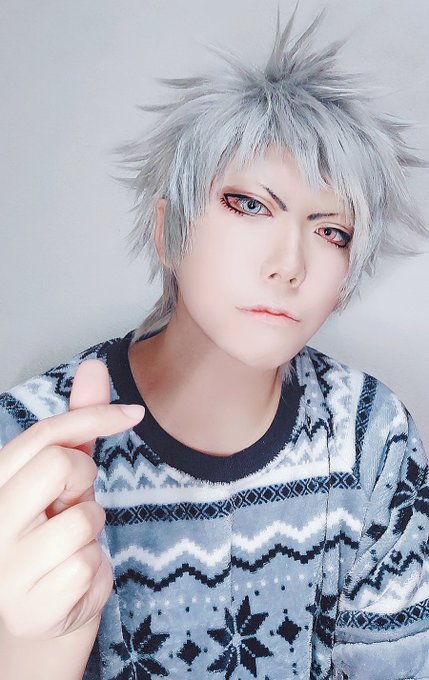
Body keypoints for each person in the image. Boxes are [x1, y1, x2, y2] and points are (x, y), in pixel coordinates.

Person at [0, 7, 428, 680]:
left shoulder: (368, 433)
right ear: (167, 228)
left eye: (331, 232)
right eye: (250, 205)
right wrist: (34, 655)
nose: (288, 264)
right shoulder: (27, 442)